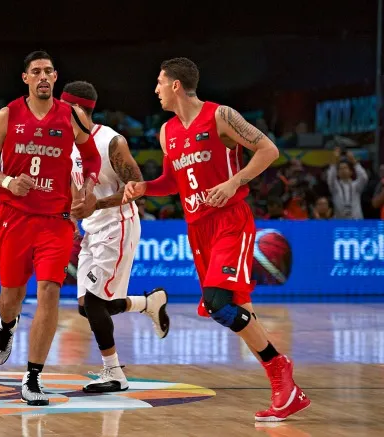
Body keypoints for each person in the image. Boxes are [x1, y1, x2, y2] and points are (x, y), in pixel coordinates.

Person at [123, 57, 310, 421]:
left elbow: (269, 150)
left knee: (218, 303)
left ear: (176, 84)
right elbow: (172, 181)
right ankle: (285, 391)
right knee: (236, 310)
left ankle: (280, 370)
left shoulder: (220, 116)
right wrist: (145, 187)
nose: (156, 89)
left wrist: (234, 180)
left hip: (229, 221)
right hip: (198, 230)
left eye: (160, 82)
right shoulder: (167, 132)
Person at [0, 51, 102, 406]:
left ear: (56, 76)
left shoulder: (70, 116)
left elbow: (91, 158)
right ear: (25, 78)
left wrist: (89, 189)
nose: (43, 76)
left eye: (48, 71)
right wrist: (7, 180)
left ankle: (32, 376)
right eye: (36, 72)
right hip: (13, 216)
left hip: (56, 220)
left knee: (49, 291)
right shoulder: (8, 115)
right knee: (10, 299)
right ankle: (6, 326)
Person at [61, 81, 170, 393]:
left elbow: (137, 189)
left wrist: (100, 203)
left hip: (118, 225)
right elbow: (74, 188)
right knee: (86, 306)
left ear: (78, 109)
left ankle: (114, 373)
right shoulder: (67, 146)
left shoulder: (111, 142)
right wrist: (71, 217)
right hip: (92, 228)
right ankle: (147, 302)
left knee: (95, 303)